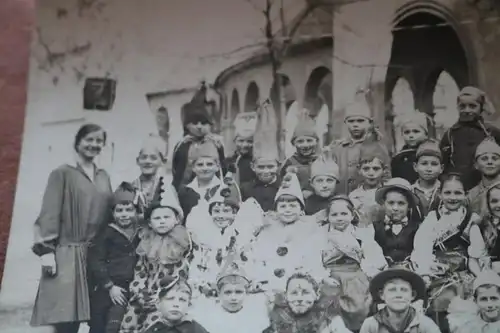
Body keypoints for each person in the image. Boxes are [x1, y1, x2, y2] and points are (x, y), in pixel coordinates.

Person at [30, 123, 113, 333]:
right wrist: (46, 251)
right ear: (78, 143)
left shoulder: (103, 176)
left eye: (98, 141)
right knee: (66, 323)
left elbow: (109, 213)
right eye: (89, 140)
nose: (94, 145)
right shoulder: (62, 173)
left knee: (99, 318)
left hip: (95, 256)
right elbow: (50, 212)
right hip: (67, 254)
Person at [411, 173, 485, 333]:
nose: (452, 197)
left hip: (463, 272)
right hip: (436, 271)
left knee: (471, 301)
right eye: (448, 192)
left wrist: (481, 278)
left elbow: (474, 256)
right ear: (439, 194)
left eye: (458, 193)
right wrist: (426, 271)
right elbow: (422, 246)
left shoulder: (470, 220)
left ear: (465, 195)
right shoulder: (433, 218)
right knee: (439, 300)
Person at [119, 189, 192, 333]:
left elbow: (182, 273)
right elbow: (140, 272)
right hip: (146, 294)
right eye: (157, 219)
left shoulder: (182, 242)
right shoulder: (147, 242)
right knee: (130, 321)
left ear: (176, 220)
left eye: (166, 217)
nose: (162, 221)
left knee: (155, 323)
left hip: (170, 294)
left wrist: (162, 295)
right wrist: (141, 294)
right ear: (150, 223)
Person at [249, 170, 328, 293]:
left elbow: (314, 259)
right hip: (270, 280)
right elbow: (259, 256)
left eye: (292, 206)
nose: (287, 210)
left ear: (301, 209)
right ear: (276, 209)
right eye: (283, 206)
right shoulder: (267, 229)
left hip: (299, 281)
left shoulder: (310, 229)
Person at [321, 196, 387, 333]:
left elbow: (373, 255)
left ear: (352, 215)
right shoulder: (321, 235)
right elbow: (313, 257)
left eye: (344, 214)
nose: (339, 218)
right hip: (330, 275)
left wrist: (369, 271)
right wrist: (322, 275)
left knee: (360, 303)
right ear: (328, 217)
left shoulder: (361, 235)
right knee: (328, 301)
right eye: (334, 215)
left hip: (356, 275)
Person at [87, 182, 141, 333]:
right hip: (109, 286)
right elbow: (96, 260)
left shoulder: (141, 233)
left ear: (136, 212)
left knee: (120, 324)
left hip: (132, 286)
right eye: (120, 210)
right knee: (99, 324)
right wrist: (109, 286)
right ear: (113, 213)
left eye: (129, 210)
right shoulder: (106, 234)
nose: (124, 214)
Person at [440, 86, 500, 191]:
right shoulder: (450, 134)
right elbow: (442, 163)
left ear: (481, 108)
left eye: (472, 106)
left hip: (489, 186)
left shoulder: (491, 132)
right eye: (462, 106)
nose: (467, 110)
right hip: (459, 187)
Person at [327, 97, 390, 195]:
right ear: (345, 123)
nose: (355, 125)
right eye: (351, 121)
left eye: (360, 121)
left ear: (369, 123)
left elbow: (386, 178)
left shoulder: (378, 147)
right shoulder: (338, 149)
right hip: (342, 198)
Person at [191, 259, 270, 333]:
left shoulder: (257, 318)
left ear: (246, 293)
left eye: (239, 292)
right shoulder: (207, 318)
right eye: (228, 292)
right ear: (219, 293)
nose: (233, 298)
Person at [172, 83, 226, 190]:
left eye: (203, 123)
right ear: (187, 125)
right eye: (195, 123)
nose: (199, 127)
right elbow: (176, 170)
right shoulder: (182, 145)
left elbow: (223, 169)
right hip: (185, 190)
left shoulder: (216, 144)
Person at [360, 268, 440, 333]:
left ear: (412, 295)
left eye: (404, 290)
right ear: (382, 295)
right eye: (392, 290)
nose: (398, 295)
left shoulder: (425, 325)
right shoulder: (371, 325)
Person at [267, 273, 349, 333]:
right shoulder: (277, 321)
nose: (299, 298)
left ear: (317, 295)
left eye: (305, 292)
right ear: (286, 296)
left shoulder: (330, 321)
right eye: (294, 293)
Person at [240, 102, 281, 212]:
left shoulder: (284, 187)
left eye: (270, 166)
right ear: (253, 167)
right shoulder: (245, 189)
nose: (266, 171)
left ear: (278, 166)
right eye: (261, 167)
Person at [372, 178, 423, 267]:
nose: (395, 208)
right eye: (391, 203)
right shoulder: (374, 228)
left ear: (409, 206)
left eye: (401, 203)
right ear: (383, 204)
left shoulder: (418, 228)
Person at [177, 140, 230, 218]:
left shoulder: (226, 189)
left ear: (217, 167)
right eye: (200, 165)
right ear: (193, 168)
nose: (205, 168)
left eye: (209, 164)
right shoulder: (185, 192)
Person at [142, 277, 211, 333]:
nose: (176, 304)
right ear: (158, 304)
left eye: (182, 300)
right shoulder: (154, 329)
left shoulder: (196, 329)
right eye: (170, 298)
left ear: (188, 305)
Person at [280, 112, 320, 197]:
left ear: (316, 142)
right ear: (294, 143)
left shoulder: (322, 161)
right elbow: (282, 186)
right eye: (300, 141)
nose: (305, 145)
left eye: (309, 141)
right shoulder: (289, 162)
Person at [349, 146, 388, 231]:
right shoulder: (353, 196)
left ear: (384, 170)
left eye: (376, 169)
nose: (371, 173)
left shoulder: (389, 192)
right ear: (359, 170)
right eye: (366, 169)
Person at [131, 136, 170, 220]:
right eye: (143, 157)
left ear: (162, 161)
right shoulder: (130, 187)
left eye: (153, 158)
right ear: (137, 161)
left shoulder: (167, 187)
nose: (148, 161)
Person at [391, 112, 429, 184]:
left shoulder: (431, 154)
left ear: (425, 134)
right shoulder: (398, 158)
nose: (411, 135)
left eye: (416, 131)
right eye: (407, 132)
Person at [468, 137, 500, 216]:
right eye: (484, 158)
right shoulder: (471, 196)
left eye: (495, 158)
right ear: (476, 165)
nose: (490, 162)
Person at [411, 139, 443, 216]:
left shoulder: (445, 191)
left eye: (434, 164)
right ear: (415, 167)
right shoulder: (410, 191)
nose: (429, 169)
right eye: (424, 163)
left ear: (441, 168)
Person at [304, 150, 340, 215]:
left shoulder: (341, 202)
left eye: (329, 180)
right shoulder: (308, 202)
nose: (324, 185)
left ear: (336, 182)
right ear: (311, 183)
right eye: (319, 181)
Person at [224, 116, 256, 186]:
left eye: (250, 141)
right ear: (234, 141)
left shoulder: (256, 162)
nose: (245, 145)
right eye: (241, 141)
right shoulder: (228, 161)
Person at [478, 182, 500, 274]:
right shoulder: (482, 227)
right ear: (488, 203)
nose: (499, 205)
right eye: (494, 201)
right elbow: (474, 260)